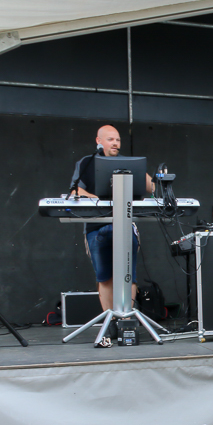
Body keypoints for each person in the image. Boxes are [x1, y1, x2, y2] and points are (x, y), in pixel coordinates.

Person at [69, 125, 155, 336]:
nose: (115, 143)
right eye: (110, 139)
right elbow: (75, 190)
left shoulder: (128, 162)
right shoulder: (86, 162)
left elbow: (151, 188)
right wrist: (96, 199)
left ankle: (126, 321)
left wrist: (140, 170)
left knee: (128, 275)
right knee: (104, 276)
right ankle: (111, 322)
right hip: (96, 226)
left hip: (124, 223)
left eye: (118, 140)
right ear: (98, 141)